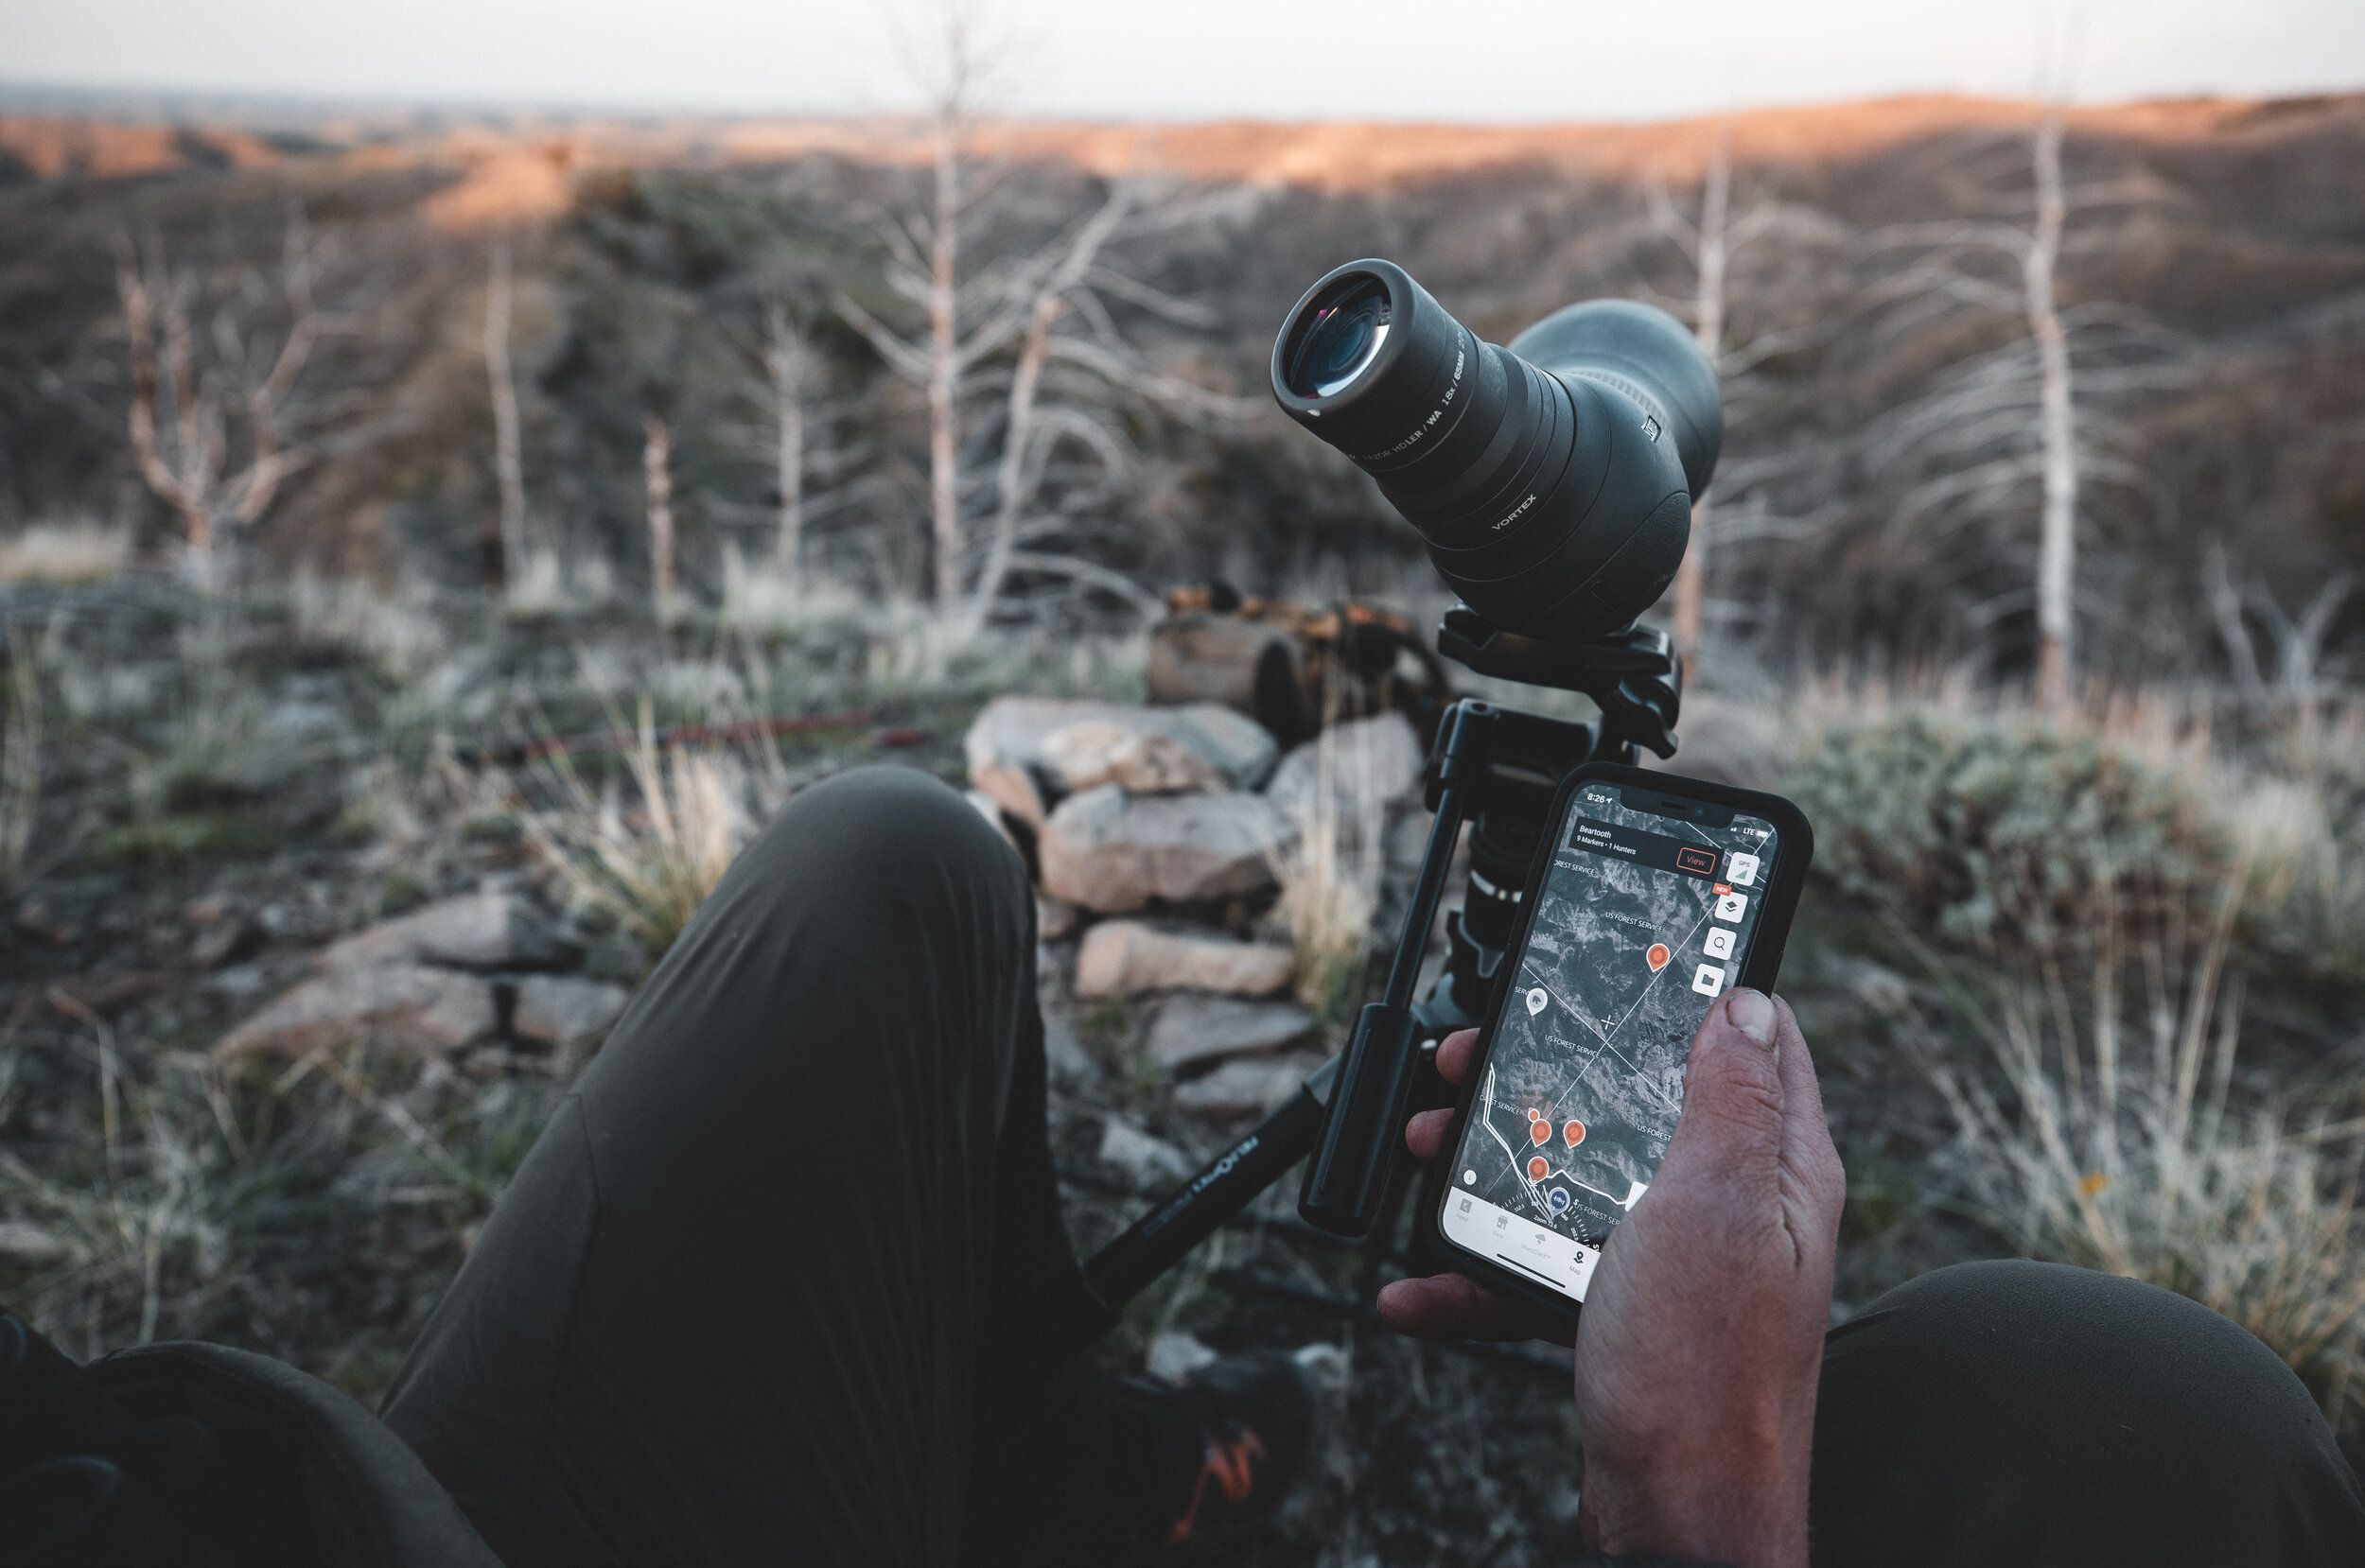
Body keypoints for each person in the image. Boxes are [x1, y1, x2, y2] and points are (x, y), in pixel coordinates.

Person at [10, 765, 2365, 1565]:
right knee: (2151, 1430)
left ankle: (1060, 1483)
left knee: (888, 866)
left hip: (262, 1498)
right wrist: (1703, 1491)